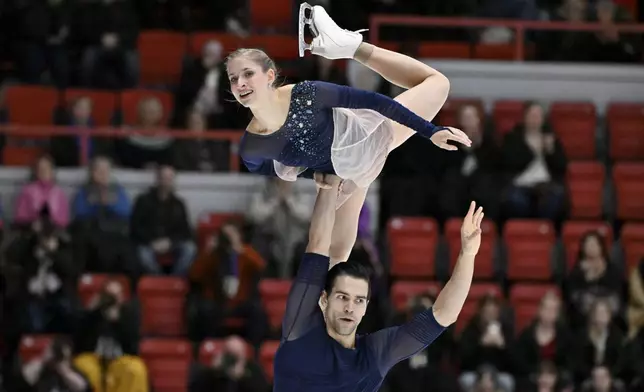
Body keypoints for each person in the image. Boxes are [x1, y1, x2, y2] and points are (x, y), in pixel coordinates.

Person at [226, 3, 471, 264]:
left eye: (248, 74)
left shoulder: (306, 94)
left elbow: (376, 102)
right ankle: (350, 47)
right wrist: (314, 173)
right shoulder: (251, 148)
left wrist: (430, 131)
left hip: (366, 138)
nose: (240, 83)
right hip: (346, 172)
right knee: (337, 258)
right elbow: (272, 170)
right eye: (232, 78)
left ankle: (353, 47)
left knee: (438, 83)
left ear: (270, 75)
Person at [273, 172, 484, 391]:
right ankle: (361, 166)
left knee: (338, 254)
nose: (349, 307)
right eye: (343, 297)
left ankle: (363, 165)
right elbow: (317, 245)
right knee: (336, 255)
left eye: (359, 300)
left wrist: (467, 255)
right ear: (324, 299)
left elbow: (444, 314)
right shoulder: (300, 333)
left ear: (365, 307)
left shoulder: (372, 355)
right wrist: (329, 185)